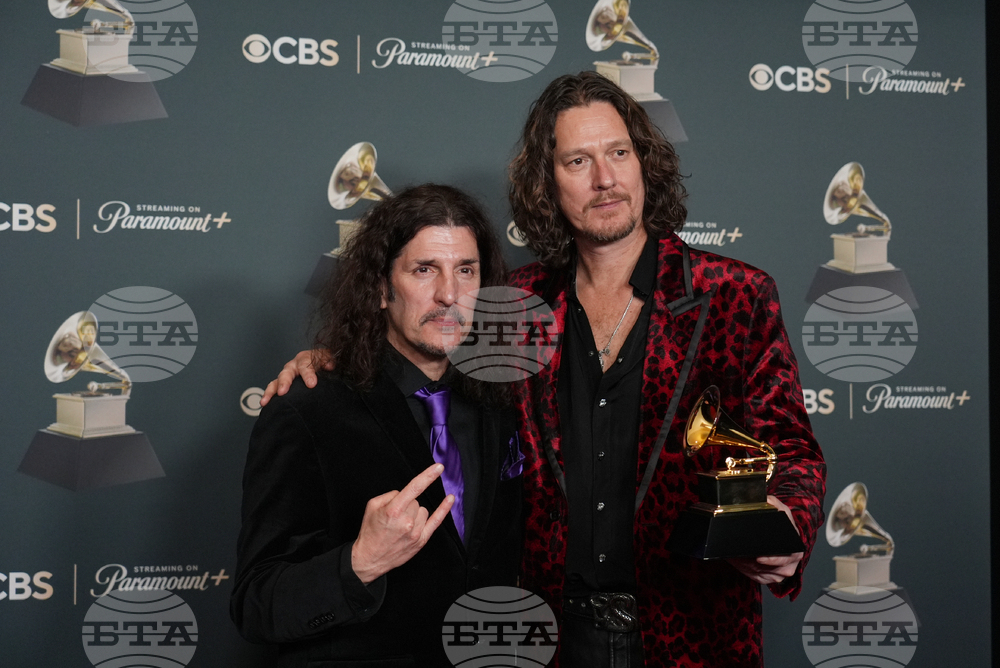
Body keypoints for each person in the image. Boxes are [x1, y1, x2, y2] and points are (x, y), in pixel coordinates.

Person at [262, 72, 826, 667]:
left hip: (695, 633)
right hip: (547, 641)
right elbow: (423, 345)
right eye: (577, 160)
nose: (605, 179)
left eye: (618, 153)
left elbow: (790, 448)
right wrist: (331, 361)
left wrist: (790, 522)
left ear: (643, 163)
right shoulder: (512, 304)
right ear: (547, 183)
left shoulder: (735, 295)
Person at [232, 184, 523, 667]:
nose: (449, 293)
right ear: (380, 288)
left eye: (466, 271)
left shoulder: (504, 400)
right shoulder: (307, 409)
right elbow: (256, 605)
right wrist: (360, 561)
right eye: (424, 270)